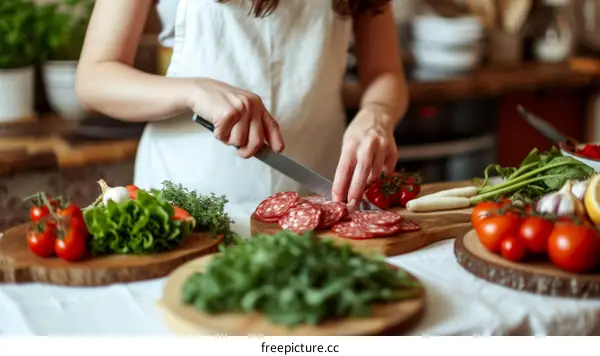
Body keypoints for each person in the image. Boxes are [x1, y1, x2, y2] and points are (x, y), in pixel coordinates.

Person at [75, 0, 409, 207]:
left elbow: (384, 72)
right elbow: (94, 78)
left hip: (318, 192)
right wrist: (193, 90)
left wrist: (377, 113)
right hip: (186, 201)